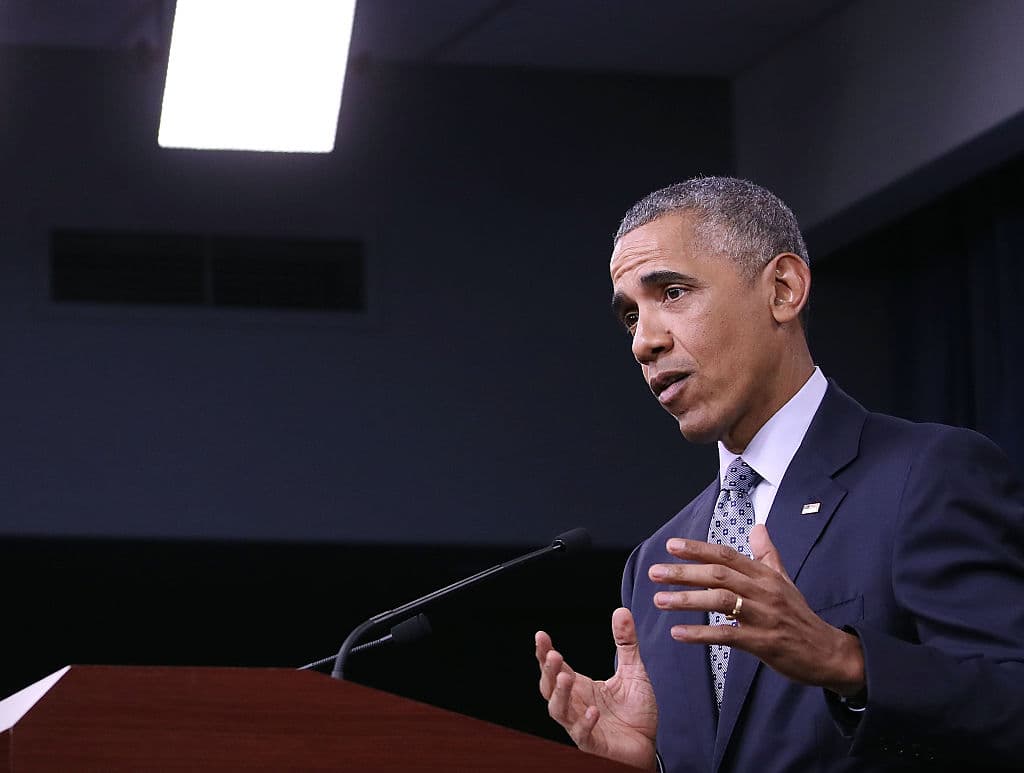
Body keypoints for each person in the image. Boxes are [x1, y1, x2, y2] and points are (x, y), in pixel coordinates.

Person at [535, 177, 1024, 772]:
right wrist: (647, 763)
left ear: (784, 289)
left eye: (673, 292)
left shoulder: (927, 474)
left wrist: (848, 663)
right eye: (630, 317)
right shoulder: (656, 562)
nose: (644, 342)